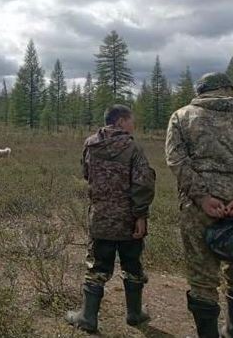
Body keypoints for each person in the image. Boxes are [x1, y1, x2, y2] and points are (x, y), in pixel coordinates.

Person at [166, 72, 233, 338]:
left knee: (202, 279)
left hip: (198, 209)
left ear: (201, 91)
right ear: (226, 89)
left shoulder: (181, 117)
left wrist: (202, 197)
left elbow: (176, 161)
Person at [67, 105, 156, 333]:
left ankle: (88, 317)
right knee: (132, 266)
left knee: (97, 268)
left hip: (100, 218)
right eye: (131, 120)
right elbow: (143, 185)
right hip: (129, 220)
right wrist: (141, 216)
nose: (133, 124)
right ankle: (134, 314)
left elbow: (86, 174)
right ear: (120, 121)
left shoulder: (90, 144)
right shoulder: (134, 148)